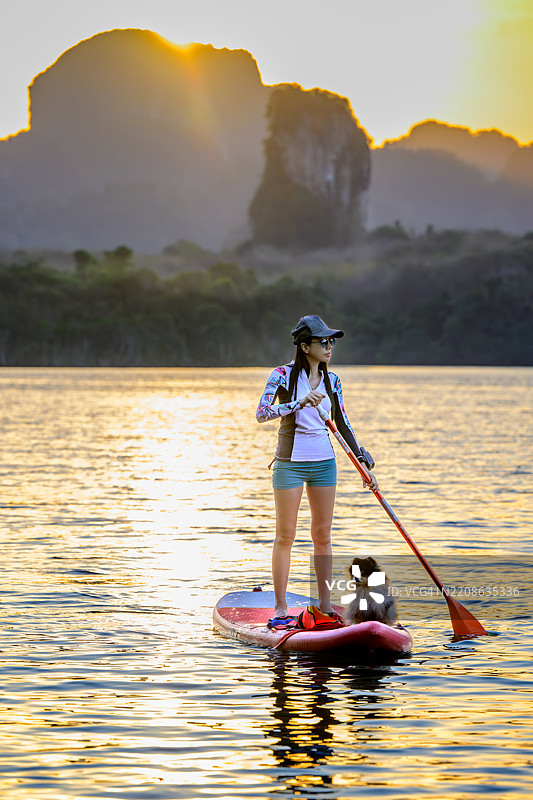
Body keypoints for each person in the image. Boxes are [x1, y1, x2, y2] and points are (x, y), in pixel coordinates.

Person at [256, 314, 379, 629]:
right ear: (304, 345)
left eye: (332, 341)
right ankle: (280, 608)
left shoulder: (333, 380)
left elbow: (343, 423)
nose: (329, 347)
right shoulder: (281, 375)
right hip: (289, 465)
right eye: (323, 341)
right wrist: (299, 402)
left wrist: (362, 460)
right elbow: (262, 413)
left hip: (325, 463)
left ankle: (325, 607)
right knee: (286, 536)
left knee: (322, 535)